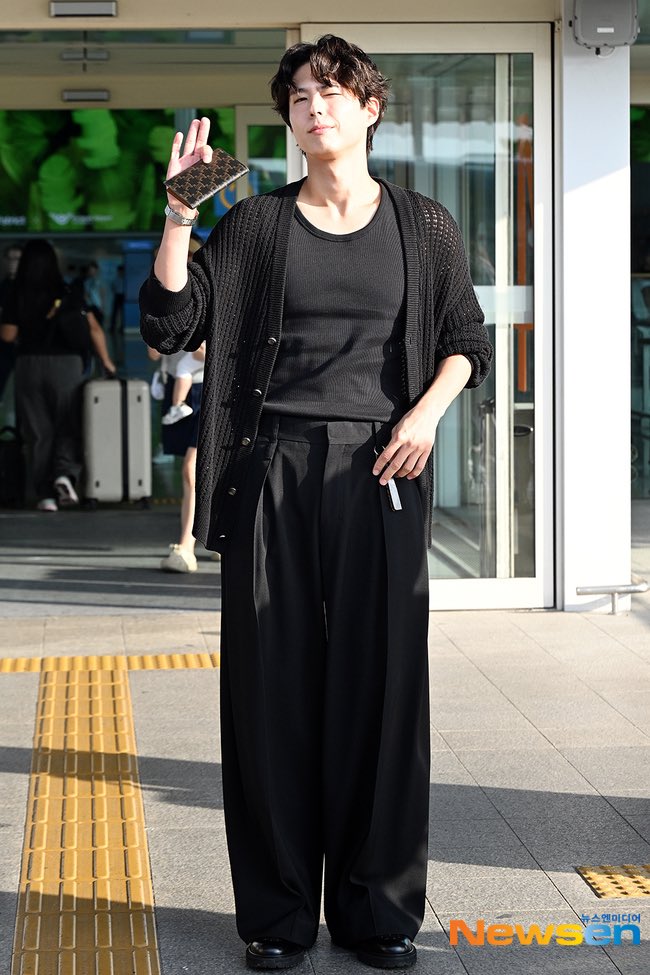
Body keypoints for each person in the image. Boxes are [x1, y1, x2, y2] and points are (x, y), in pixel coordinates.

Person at [140, 34, 492, 971]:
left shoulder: (422, 225)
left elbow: (467, 336)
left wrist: (424, 414)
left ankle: (380, 913)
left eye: (331, 92)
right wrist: (178, 213)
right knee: (271, 697)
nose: (313, 107)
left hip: (383, 473)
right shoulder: (256, 225)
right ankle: (280, 916)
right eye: (298, 96)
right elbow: (172, 319)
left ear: (371, 108)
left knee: (383, 696)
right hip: (274, 472)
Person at [0, 239, 115, 511]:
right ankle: (64, 475)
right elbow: (94, 329)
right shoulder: (67, 289)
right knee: (68, 422)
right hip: (67, 365)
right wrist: (107, 363)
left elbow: (8, 335)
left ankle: (45, 495)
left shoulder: (15, 291)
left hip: (30, 364)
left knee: (38, 431)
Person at [147, 234, 204, 572]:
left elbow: (208, 351)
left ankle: (186, 545)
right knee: (194, 468)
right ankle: (209, 536)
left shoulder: (208, 291)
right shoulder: (160, 295)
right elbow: (154, 351)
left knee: (192, 469)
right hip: (178, 388)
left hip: (205, 387)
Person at [160, 343, 205, 425]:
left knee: (183, 367)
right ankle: (177, 406)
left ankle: (177, 405)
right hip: (174, 380)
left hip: (199, 385)